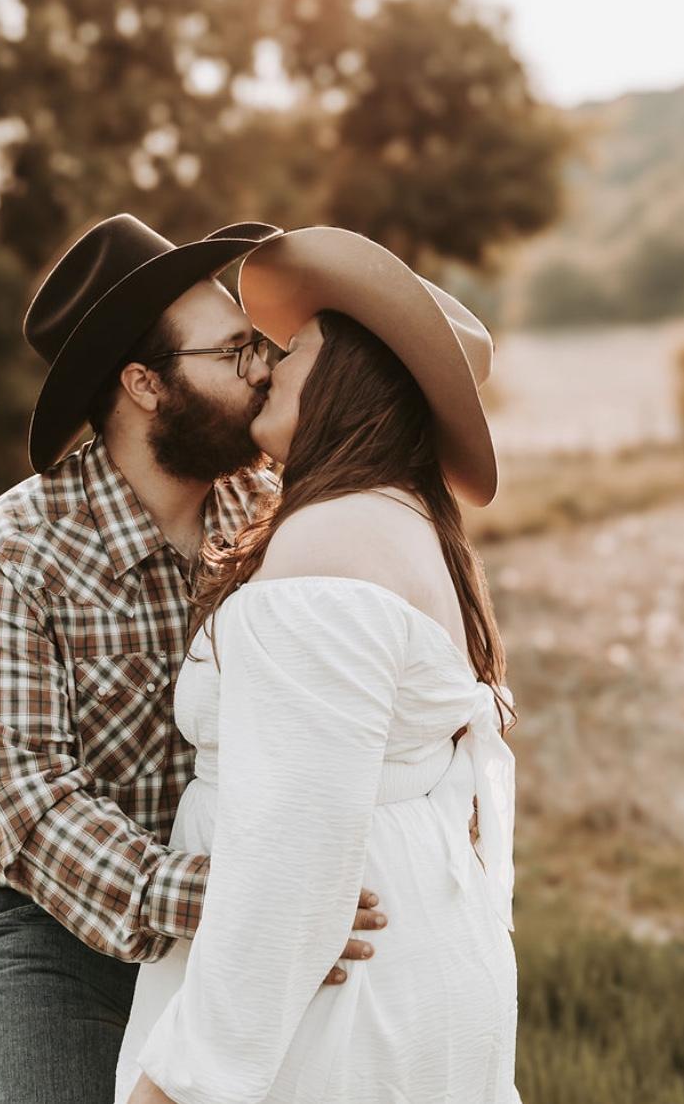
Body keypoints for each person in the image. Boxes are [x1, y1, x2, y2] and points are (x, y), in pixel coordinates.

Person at [0, 214, 389, 1104]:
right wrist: (237, 901)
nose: (264, 368)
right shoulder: (9, 560)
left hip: (246, 891)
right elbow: (30, 809)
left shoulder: (274, 513)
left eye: (259, 346)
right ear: (145, 383)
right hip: (58, 930)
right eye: (234, 351)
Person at [117, 226, 521, 1104]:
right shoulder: (400, 519)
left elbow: (291, 860)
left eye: (293, 350)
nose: (266, 368)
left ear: (346, 380)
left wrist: (175, 1087)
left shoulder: (328, 546)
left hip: (338, 1001)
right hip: (410, 955)